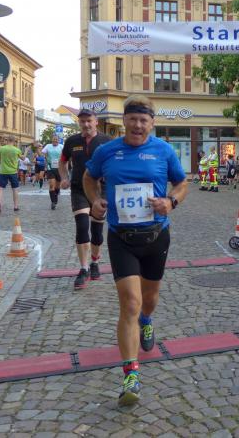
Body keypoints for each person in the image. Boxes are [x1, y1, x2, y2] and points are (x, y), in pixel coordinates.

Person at [83, 95, 188, 406]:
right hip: (121, 237)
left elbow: (182, 183)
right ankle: (131, 374)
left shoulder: (163, 150)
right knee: (130, 302)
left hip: (156, 236)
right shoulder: (107, 151)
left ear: (152, 123)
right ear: (124, 121)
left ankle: (147, 319)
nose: (138, 125)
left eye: (144, 120)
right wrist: (94, 200)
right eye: (133, 119)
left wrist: (171, 201)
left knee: (148, 300)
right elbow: (89, 178)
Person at [59, 109, 112, 290]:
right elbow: (62, 161)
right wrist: (64, 177)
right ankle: (83, 269)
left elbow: (116, 162)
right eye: (82, 121)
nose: (86, 124)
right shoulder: (72, 141)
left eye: (89, 120)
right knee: (82, 227)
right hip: (78, 188)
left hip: (100, 191)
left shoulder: (106, 141)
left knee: (97, 232)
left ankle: (94, 262)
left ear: (96, 121)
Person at [0, 136, 23, 213]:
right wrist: (27, 150)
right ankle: (15, 206)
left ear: (7, 140)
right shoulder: (17, 150)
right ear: (14, 141)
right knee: (15, 189)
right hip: (13, 172)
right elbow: (23, 158)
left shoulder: (2, 148)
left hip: (3, 171)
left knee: (0, 188)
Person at [42, 136, 64, 210]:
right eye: (54, 139)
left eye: (56, 139)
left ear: (59, 140)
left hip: (59, 168)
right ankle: (53, 202)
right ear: (52, 140)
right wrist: (38, 148)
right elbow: (42, 153)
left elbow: (66, 156)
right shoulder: (48, 146)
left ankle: (55, 197)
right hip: (50, 168)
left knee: (57, 187)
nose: (55, 140)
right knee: (51, 185)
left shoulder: (61, 146)